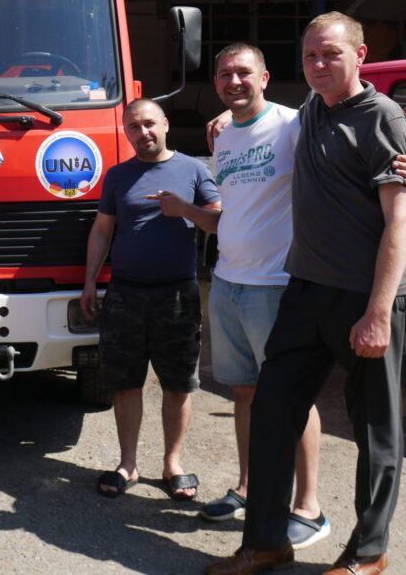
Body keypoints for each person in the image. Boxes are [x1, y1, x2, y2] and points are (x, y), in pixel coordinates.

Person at [206, 12, 406, 575]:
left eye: (331, 54)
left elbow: (401, 222)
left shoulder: (383, 118)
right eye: (311, 57)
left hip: (368, 296)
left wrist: (376, 313)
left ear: (360, 54)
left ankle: (369, 553)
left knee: (375, 431)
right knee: (273, 412)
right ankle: (266, 542)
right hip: (306, 289)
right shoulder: (310, 114)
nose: (319, 65)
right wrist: (225, 118)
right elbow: (256, 121)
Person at [151, 43, 329, 550]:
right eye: (225, 73)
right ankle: (250, 487)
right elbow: (227, 214)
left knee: (294, 397)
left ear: (266, 77)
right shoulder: (225, 138)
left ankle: (308, 507)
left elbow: (346, 158)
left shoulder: (296, 124)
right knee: (245, 393)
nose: (234, 81)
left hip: (277, 285)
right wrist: (186, 208)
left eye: (243, 72)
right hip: (228, 281)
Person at [80, 98, 220, 501]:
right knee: (124, 382)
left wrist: (184, 209)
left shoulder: (194, 169)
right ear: (126, 133)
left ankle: (172, 463)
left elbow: (219, 221)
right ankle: (128, 464)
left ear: (165, 125)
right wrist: (90, 282)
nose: (143, 133)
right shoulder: (118, 176)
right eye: (134, 127)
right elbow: (103, 230)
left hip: (177, 293)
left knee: (178, 383)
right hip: (125, 292)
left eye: (149, 125)